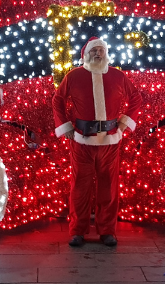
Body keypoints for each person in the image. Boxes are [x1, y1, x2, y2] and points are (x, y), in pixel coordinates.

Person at [53, 37, 142, 248]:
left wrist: (123, 124)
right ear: (86, 54)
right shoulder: (73, 76)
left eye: (102, 50)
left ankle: (107, 231)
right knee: (80, 188)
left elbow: (136, 98)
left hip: (110, 141)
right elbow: (58, 100)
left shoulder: (118, 76)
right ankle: (77, 231)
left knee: (109, 188)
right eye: (95, 51)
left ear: (106, 53)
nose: (98, 54)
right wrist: (65, 126)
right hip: (82, 141)